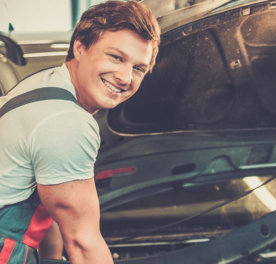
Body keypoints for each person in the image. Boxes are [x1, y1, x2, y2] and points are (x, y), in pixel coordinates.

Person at [0, 1, 160, 263]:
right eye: (116, 57)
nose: (125, 77)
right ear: (80, 47)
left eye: (138, 68)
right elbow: (83, 244)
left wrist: (51, 259)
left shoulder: (45, 83)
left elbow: (53, 202)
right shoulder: (67, 121)